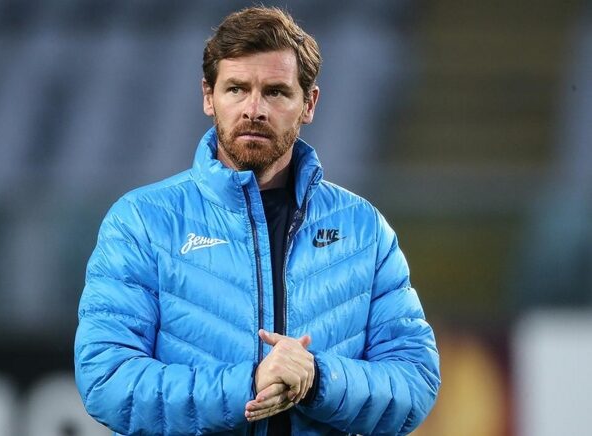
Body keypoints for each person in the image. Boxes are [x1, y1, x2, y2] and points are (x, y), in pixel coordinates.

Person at [74, 6, 440, 435]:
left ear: (309, 103)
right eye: (236, 89)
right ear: (208, 96)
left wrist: (317, 379)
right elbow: (108, 380)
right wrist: (248, 384)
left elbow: (415, 381)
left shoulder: (363, 230)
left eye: (276, 92)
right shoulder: (142, 222)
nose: (254, 109)